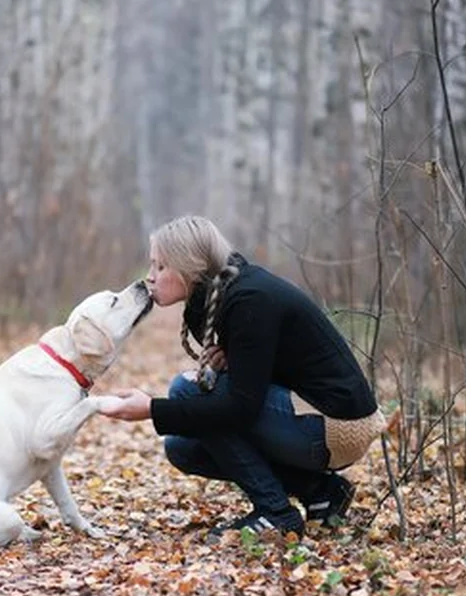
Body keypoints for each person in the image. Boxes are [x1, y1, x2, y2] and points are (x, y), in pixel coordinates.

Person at [99, 215, 386, 538]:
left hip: (339, 426)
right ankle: (320, 490)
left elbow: (240, 408)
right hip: (315, 418)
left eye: (160, 267)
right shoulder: (224, 296)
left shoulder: (249, 298)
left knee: (185, 390)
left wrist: (152, 409)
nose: (150, 278)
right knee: (181, 447)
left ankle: (276, 512)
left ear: (189, 267)